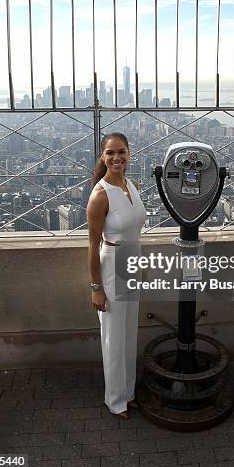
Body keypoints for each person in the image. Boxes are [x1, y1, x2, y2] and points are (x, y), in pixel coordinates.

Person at [86, 132, 146, 419]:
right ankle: (115, 400)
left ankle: (129, 392)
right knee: (112, 336)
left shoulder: (132, 186)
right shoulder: (100, 195)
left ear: (129, 153)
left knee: (128, 333)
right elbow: (92, 245)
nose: (116, 158)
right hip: (111, 265)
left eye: (121, 151)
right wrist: (96, 287)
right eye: (110, 153)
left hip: (132, 263)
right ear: (103, 156)